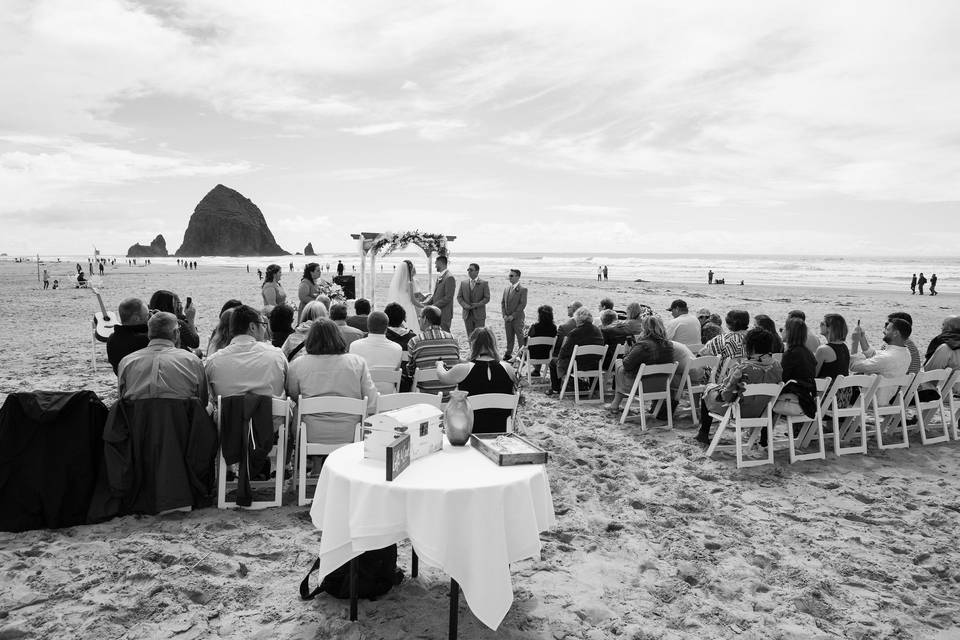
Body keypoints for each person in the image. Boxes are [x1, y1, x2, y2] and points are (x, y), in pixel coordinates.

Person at [286, 319, 378, 446]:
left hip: (310, 432)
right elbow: (372, 400)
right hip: (352, 431)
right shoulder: (357, 363)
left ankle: (315, 461)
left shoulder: (298, 364)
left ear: (310, 339)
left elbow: (293, 394)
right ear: (338, 337)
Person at [695, 328, 782, 445]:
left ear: (751, 347)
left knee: (708, 389)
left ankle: (703, 433)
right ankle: (764, 441)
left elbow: (726, 396)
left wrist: (717, 389)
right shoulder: (777, 366)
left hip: (739, 412)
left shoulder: (742, 369)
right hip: (762, 412)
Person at [436, 327, 517, 433]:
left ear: (473, 344)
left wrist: (439, 365)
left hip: (470, 432)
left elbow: (442, 377)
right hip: (501, 433)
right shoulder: (508, 369)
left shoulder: (464, 369)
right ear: (493, 344)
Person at [117, 312, 207, 404]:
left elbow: (122, 400)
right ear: (176, 333)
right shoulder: (192, 360)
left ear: (149, 334)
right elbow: (203, 401)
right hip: (181, 417)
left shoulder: (126, 362)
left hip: (138, 417)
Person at [205, 305, 288, 399]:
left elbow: (207, 397)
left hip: (230, 413)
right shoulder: (276, 355)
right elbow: (291, 390)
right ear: (252, 327)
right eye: (263, 324)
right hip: (271, 413)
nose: (265, 329)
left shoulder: (213, 362)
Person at [606, 316, 675, 416]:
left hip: (641, 387)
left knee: (619, 363)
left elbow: (627, 365)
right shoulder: (669, 345)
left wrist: (627, 351)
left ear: (645, 329)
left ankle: (615, 404)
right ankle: (615, 404)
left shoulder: (643, 345)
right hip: (662, 386)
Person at [849, 317, 912, 403]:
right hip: (885, 398)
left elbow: (854, 366)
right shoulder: (905, 354)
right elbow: (873, 355)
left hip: (869, 399)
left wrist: (854, 342)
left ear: (895, 333)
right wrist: (862, 338)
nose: (884, 331)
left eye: (887, 329)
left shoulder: (887, 358)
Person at [406, 306, 461, 397]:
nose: (419, 320)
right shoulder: (454, 340)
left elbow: (411, 373)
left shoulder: (415, 342)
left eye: (420, 317)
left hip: (425, 397)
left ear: (425, 320)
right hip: (450, 396)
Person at [548, 307, 604, 395]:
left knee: (553, 362)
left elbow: (564, 351)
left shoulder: (575, 332)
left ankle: (555, 389)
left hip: (577, 365)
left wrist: (560, 360)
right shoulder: (598, 331)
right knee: (588, 357)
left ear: (578, 319)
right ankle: (595, 389)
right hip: (594, 365)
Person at [350, 311, 402, 395]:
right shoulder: (397, 349)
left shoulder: (354, 346)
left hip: (363, 397)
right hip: (388, 398)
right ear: (386, 327)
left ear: (368, 326)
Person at [774, 318, 818, 420]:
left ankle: (763, 433)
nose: (781, 331)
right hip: (806, 397)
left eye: (783, 329)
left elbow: (782, 378)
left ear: (789, 332)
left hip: (795, 398)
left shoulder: (791, 353)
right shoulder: (808, 353)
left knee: (766, 394)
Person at [107, 298, 150, 375]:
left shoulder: (112, 339)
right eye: (147, 315)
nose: (149, 318)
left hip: (125, 384)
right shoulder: (144, 340)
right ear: (136, 318)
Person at [699, 309, 750, 374]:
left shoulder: (722, 339)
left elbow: (701, 354)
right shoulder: (756, 337)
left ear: (727, 324)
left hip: (725, 378)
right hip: (748, 376)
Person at [386, 259, 423, 333]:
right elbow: (413, 300)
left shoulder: (397, 283)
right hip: (409, 307)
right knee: (410, 326)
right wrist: (423, 306)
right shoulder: (409, 283)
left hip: (400, 305)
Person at [422, 255, 456, 332]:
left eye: (436, 264)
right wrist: (426, 303)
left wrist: (433, 307)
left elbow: (448, 297)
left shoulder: (449, 277)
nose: (435, 266)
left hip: (444, 313)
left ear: (441, 263)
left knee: (445, 334)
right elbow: (435, 295)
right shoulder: (440, 277)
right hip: (436, 313)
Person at [456, 262, 490, 336]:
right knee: (470, 336)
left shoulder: (484, 283)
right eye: (468, 270)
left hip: (479, 315)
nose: (469, 272)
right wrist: (465, 305)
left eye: (471, 270)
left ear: (477, 271)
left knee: (479, 336)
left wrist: (477, 304)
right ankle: (471, 348)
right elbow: (459, 297)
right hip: (467, 315)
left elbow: (487, 298)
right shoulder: (463, 283)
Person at [501, 268, 528, 361]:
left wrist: (513, 316)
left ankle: (522, 355)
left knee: (520, 336)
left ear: (518, 277)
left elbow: (522, 305)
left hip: (517, 318)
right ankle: (508, 353)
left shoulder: (523, 289)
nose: (509, 277)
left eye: (511, 276)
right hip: (507, 318)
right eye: (509, 275)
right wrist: (504, 315)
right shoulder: (506, 289)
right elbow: (503, 303)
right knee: (509, 336)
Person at [525, 305, 558, 377]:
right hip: (548, 354)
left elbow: (527, 340)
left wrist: (526, 331)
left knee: (530, 348)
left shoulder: (535, 327)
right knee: (541, 346)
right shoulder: (554, 327)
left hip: (533, 355)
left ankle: (536, 370)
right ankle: (536, 371)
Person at [814, 313, 850, 379]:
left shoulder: (823, 350)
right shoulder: (844, 347)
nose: (820, 325)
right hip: (841, 388)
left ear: (830, 328)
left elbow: (813, 375)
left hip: (826, 388)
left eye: (822, 324)